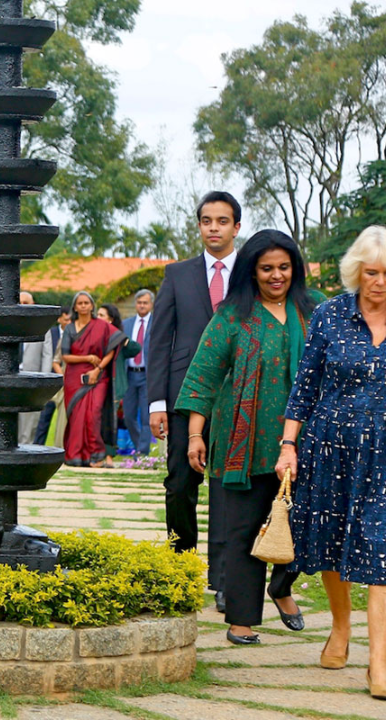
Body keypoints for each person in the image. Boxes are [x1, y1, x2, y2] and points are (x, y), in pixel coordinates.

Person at [275, 225, 386, 701]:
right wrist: (289, 445)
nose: (380, 282)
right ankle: (342, 628)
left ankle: (378, 665)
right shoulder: (329, 316)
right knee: (333, 540)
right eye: (371, 272)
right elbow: (305, 386)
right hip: (332, 444)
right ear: (356, 272)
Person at [176, 229, 312, 645]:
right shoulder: (232, 316)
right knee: (243, 530)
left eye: (284, 267)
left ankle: (282, 586)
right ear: (252, 272)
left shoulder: (314, 312)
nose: (276, 276)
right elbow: (203, 376)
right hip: (244, 442)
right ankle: (241, 620)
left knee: (306, 524)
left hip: (305, 442)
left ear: (296, 269)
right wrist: (196, 435)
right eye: (266, 268)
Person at [148, 191, 241, 610]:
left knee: (226, 488)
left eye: (222, 221)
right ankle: (180, 566)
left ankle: (223, 579)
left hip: (240, 395)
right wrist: (156, 403)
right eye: (207, 221)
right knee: (180, 483)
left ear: (236, 227)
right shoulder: (178, 274)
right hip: (185, 395)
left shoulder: (251, 275)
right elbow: (159, 340)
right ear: (199, 226)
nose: (214, 228)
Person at [60, 291, 120, 466]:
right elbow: (65, 356)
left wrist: (98, 368)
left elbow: (113, 347)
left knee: (93, 414)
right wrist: (88, 358)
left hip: (98, 376)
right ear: (75, 307)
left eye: (87, 302)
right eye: (80, 303)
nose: (84, 306)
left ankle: (96, 455)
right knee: (77, 417)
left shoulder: (102, 326)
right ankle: (76, 456)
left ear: (92, 305)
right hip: (74, 378)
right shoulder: (70, 328)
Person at [96, 303, 141, 465]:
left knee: (110, 422)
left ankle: (108, 457)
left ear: (110, 319)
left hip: (114, 386)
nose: (98, 317)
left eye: (101, 315)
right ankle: (98, 456)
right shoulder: (93, 335)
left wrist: (120, 337)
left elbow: (135, 349)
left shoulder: (117, 339)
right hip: (95, 384)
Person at [19, 291, 56, 445]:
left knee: (29, 423)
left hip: (31, 380)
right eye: (19, 302)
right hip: (8, 379)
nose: (22, 306)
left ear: (33, 305)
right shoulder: (5, 325)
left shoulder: (42, 327)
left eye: (25, 303)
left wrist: (43, 381)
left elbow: (47, 356)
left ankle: (24, 453)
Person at [122, 290, 153, 456]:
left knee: (147, 416)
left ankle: (142, 452)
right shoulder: (126, 324)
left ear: (151, 304)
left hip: (147, 375)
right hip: (129, 375)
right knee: (129, 415)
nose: (142, 305)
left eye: (145, 302)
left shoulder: (157, 323)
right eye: (139, 302)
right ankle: (138, 445)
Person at [33, 308, 68, 445]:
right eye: (66, 319)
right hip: (51, 382)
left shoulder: (75, 334)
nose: (68, 322)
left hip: (67, 383)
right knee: (44, 417)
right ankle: (38, 445)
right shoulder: (50, 333)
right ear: (59, 319)